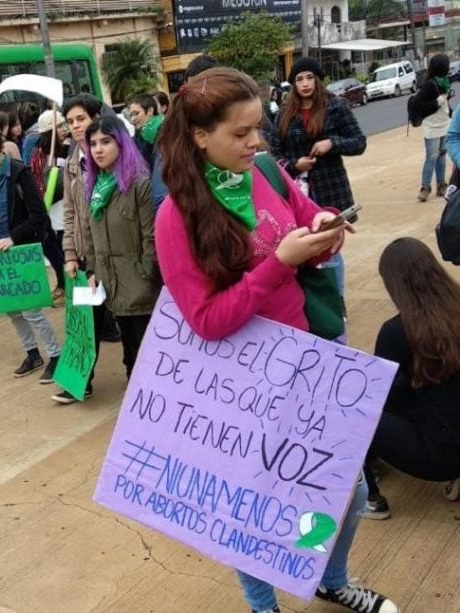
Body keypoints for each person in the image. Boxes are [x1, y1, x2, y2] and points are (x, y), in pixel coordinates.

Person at [154, 66, 397, 613]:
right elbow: (206, 320)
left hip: (309, 364)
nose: (255, 142)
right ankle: (265, 605)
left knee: (345, 494)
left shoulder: (265, 169)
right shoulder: (177, 216)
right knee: (253, 516)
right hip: (242, 387)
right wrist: (276, 265)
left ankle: (326, 575)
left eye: (257, 128)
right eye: (239, 134)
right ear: (199, 136)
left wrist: (325, 227)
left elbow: (309, 218)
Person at [362, 238, 460, 520]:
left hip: (440, 455)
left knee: (354, 409)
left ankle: (371, 498)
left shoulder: (399, 330)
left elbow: (377, 394)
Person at [0, 123, 61, 382]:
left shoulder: (20, 174)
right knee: (12, 310)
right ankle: (32, 353)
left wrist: (13, 237)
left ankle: (56, 355)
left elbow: (39, 216)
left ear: (2, 150)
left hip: (20, 253)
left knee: (31, 310)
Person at [270, 57, 366, 299]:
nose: (305, 84)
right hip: (295, 191)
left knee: (329, 247)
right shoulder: (284, 114)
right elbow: (274, 154)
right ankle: (314, 300)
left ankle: (336, 302)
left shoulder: (336, 107)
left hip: (329, 189)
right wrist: (294, 165)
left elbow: (359, 142)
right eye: (299, 79)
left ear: (318, 80)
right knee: (303, 248)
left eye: (310, 77)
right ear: (293, 84)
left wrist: (331, 143)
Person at [53, 94, 120, 405]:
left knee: (128, 322)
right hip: (84, 258)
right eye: (70, 122)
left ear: (96, 117)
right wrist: (69, 254)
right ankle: (81, 382)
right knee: (84, 323)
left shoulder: (115, 157)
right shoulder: (71, 163)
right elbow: (70, 212)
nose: (76, 126)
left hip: (115, 257)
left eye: (81, 119)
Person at [82, 115, 159, 379]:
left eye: (106, 141)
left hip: (139, 285)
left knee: (144, 353)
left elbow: (151, 237)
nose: (98, 149)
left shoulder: (140, 184)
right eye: (93, 144)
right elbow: (89, 234)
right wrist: (91, 270)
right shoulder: (93, 187)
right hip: (109, 284)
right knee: (128, 350)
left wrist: (147, 274)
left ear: (121, 144)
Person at [30, 109, 69, 308]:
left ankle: (68, 287)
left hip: (66, 210)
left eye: (64, 125)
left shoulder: (69, 149)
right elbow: (37, 182)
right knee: (53, 249)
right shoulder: (38, 155)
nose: (64, 130)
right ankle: (62, 284)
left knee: (67, 250)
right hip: (49, 210)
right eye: (59, 126)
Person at [411, 54, 452, 201]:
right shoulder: (429, 84)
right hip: (432, 125)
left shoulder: (445, 82)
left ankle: (441, 185)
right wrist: (436, 102)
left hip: (444, 122)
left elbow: (445, 103)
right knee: (432, 157)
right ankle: (425, 187)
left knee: (442, 154)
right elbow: (417, 104)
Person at [127, 93, 162, 170]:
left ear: (150, 110)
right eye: (131, 115)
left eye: (136, 113)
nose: (133, 119)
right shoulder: (139, 134)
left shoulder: (166, 130)